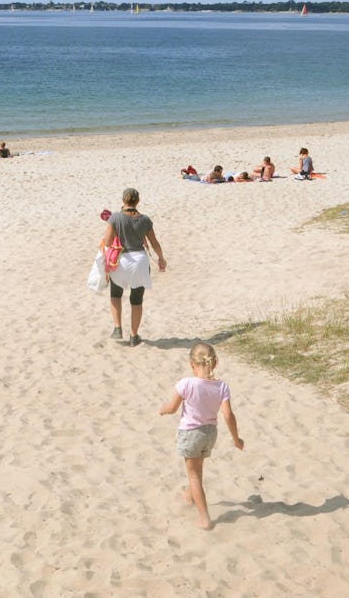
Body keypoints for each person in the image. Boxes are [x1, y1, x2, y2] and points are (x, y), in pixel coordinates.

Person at [159, 342, 244, 530]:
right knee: (198, 470)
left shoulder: (186, 384)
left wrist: (163, 410)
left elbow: (172, 408)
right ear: (215, 363)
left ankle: (204, 518)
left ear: (192, 365)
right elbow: (228, 415)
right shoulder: (222, 387)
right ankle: (190, 496)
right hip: (209, 434)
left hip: (191, 433)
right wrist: (236, 439)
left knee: (194, 475)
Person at [100, 187, 166, 346]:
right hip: (139, 262)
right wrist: (161, 258)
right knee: (136, 300)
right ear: (138, 201)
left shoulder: (115, 218)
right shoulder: (145, 220)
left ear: (123, 201)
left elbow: (108, 242)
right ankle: (134, 336)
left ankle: (117, 328)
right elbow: (154, 242)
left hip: (120, 261)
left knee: (115, 294)